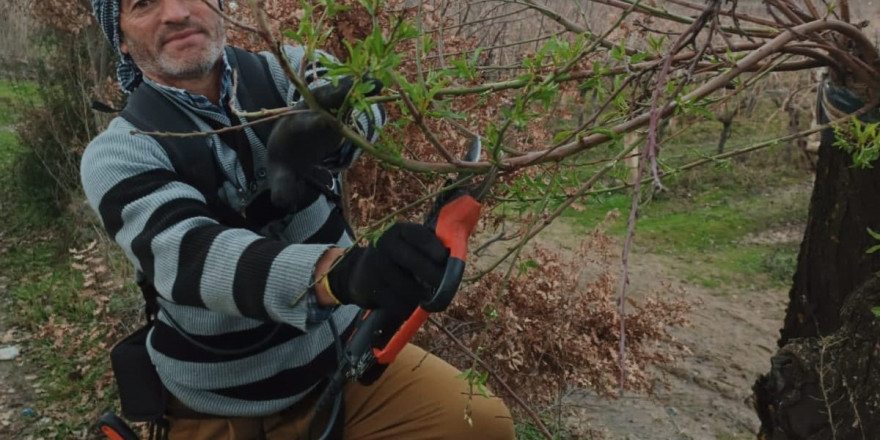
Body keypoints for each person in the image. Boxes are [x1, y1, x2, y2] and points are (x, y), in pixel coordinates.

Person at [81, 0, 515, 439]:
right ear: (119, 36)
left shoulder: (285, 69)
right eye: (142, 3)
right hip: (221, 405)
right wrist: (339, 276)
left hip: (344, 364)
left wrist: (331, 130)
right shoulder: (119, 152)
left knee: (483, 423)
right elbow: (194, 257)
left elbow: (359, 93)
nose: (175, 13)